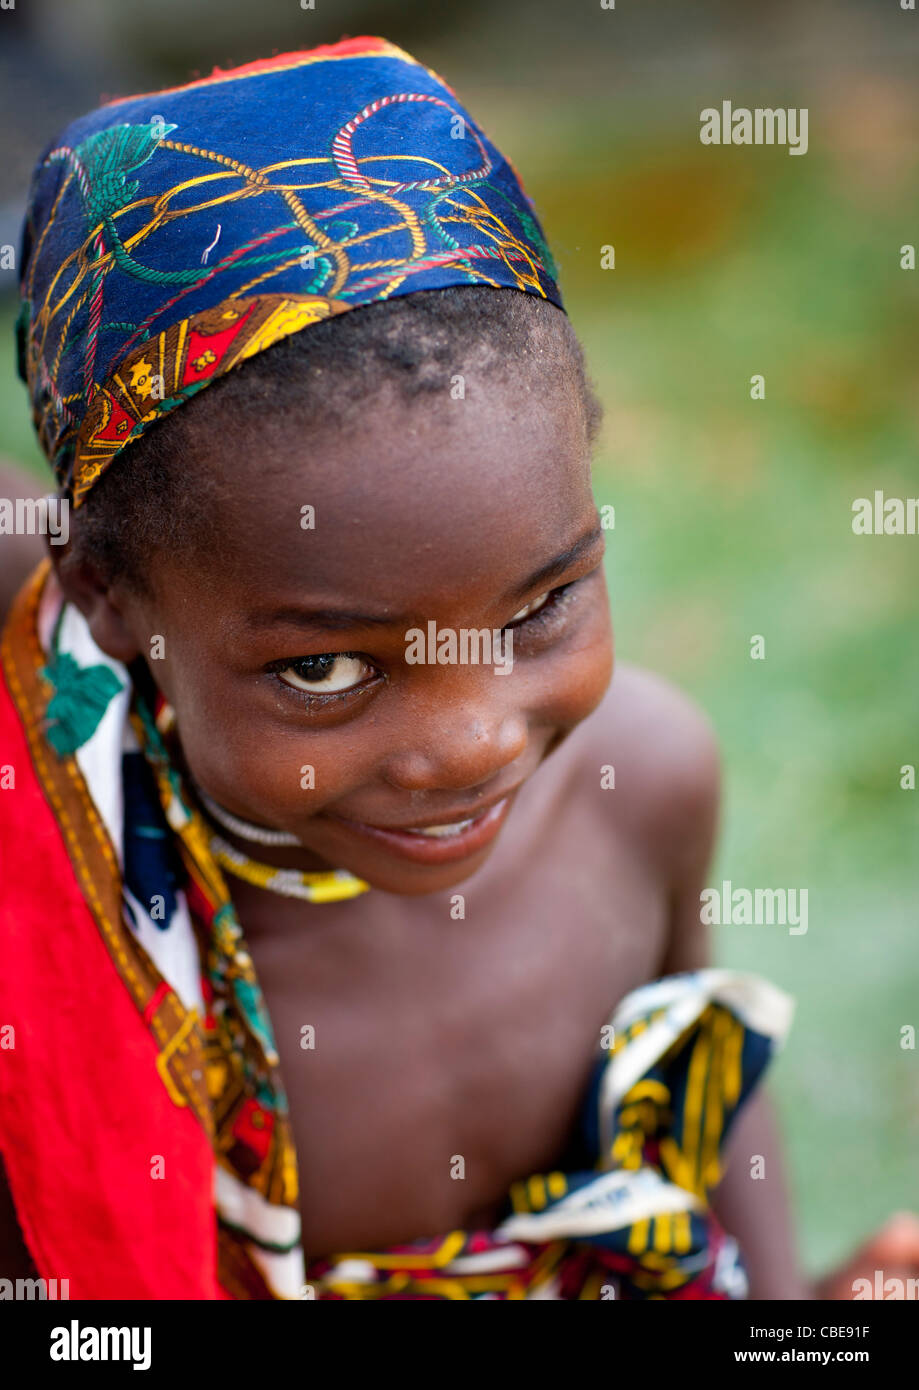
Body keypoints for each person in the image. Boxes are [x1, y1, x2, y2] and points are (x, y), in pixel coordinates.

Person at [1, 35, 916, 1301]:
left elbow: (687, 1098)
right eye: (325, 668)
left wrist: (805, 1305)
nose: (475, 738)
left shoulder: (643, 785)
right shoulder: (77, 931)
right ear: (108, 601)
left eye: (541, 604)